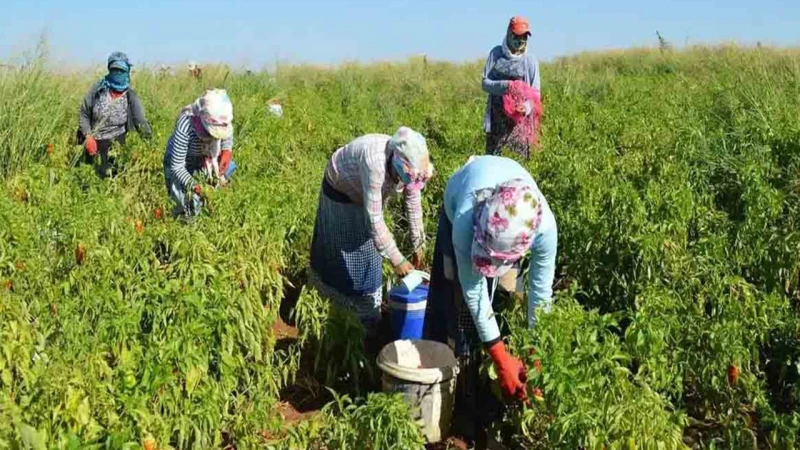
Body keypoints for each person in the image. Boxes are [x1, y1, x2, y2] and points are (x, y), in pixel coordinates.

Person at [425, 155, 557, 444]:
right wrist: (500, 357)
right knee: (458, 309)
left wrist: (536, 359)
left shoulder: (544, 229)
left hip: (511, 226)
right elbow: (473, 289)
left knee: (505, 300)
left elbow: (540, 296)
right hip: (460, 203)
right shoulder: (465, 217)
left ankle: (488, 397)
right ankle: (460, 399)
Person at [308, 127, 434, 335]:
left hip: (365, 196)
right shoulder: (375, 164)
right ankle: (340, 313)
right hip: (341, 192)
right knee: (342, 256)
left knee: (370, 257)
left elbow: (413, 203)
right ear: (397, 164)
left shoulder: (412, 166)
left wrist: (418, 244)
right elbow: (375, 221)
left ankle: (367, 316)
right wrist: (398, 260)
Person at [164, 89, 236, 218]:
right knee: (182, 198)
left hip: (203, 158)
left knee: (210, 189)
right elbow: (177, 166)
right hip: (182, 160)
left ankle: (203, 213)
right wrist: (194, 185)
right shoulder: (186, 125)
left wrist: (226, 151)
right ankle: (184, 221)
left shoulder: (223, 121)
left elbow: (226, 137)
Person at [77, 51, 151, 177]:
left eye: (121, 71)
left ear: (127, 72)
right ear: (109, 70)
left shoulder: (130, 95)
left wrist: (148, 144)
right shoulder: (99, 89)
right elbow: (84, 113)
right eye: (114, 70)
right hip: (93, 141)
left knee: (111, 178)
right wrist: (88, 136)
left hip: (116, 144)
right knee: (88, 178)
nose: (118, 74)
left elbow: (140, 121)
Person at [482, 16, 541, 158]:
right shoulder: (496, 54)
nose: (520, 41)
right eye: (517, 36)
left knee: (517, 164)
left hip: (519, 125)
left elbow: (536, 94)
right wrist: (505, 86)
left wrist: (525, 107)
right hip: (496, 123)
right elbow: (485, 83)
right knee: (495, 162)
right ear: (509, 33)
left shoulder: (530, 61)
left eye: (524, 37)